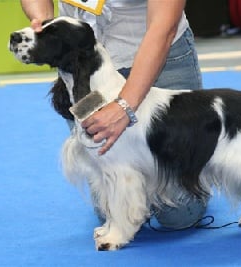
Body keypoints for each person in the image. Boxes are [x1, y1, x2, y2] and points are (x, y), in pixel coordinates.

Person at [20, 0, 208, 229]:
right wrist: (44, 24)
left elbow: (162, 26)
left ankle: (197, 175)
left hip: (159, 52)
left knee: (180, 215)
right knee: (112, 206)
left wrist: (125, 106)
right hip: (82, 62)